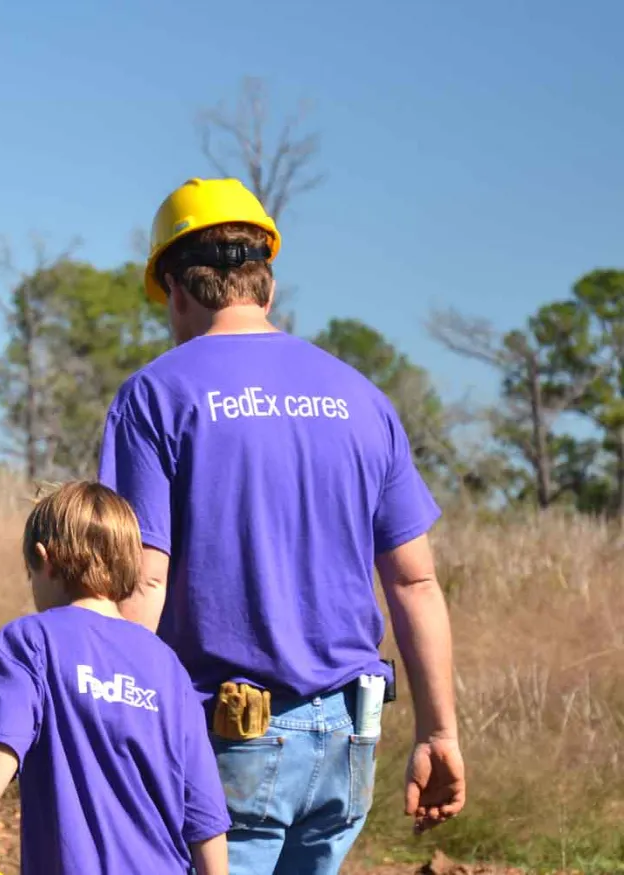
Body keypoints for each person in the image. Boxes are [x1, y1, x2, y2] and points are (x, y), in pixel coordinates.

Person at [96, 178, 466, 875]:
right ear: (265, 284)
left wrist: (102, 710)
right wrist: (438, 731)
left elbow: (143, 576)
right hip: (349, 741)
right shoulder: (363, 399)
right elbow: (415, 581)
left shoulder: (156, 395)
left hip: (226, 741)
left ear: (176, 287)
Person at [0, 480, 230, 875]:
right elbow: (204, 812)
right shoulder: (168, 666)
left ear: (43, 560)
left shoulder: (28, 641)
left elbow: (2, 744)